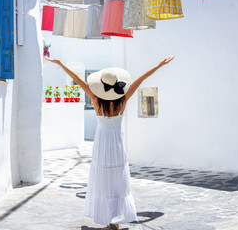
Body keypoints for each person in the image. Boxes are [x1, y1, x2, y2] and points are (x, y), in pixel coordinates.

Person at [45, 56, 174, 230]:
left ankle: (110, 221)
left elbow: (78, 80)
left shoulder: (96, 101)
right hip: (117, 143)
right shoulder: (123, 100)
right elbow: (141, 79)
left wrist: (60, 64)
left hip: (103, 144)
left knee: (104, 180)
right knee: (117, 181)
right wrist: (159, 65)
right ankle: (115, 221)